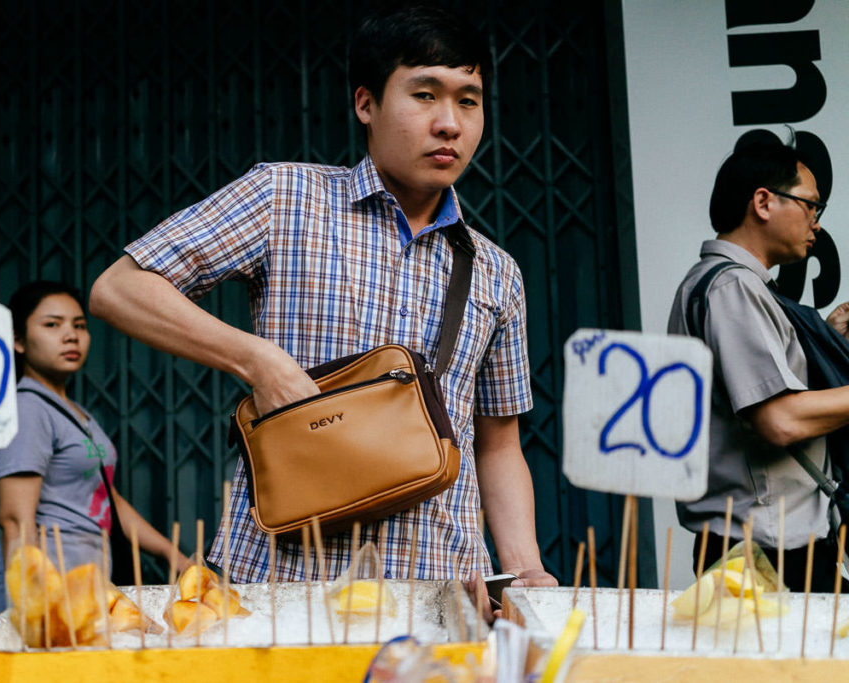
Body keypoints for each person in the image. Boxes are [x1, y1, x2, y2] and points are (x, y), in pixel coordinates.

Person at [89, 3, 555, 593]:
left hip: (438, 595)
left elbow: (498, 446)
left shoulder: (496, 271)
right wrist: (259, 361)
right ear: (366, 103)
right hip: (280, 586)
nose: (450, 123)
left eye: (468, 99)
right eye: (424, 95)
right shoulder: (286, 198)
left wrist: (528, 567)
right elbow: (120, 289)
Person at [668, 141, 844, 592]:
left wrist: (829, 341)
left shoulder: (721, 284)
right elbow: (779, 419)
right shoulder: (731, 288)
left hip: (764, 548)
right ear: (763, 202)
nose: (816, 224)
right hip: (764, 553)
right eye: (810, 205)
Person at [0, 281, 190, 613]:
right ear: (18, 341)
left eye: (79, 325)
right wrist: (28, 602)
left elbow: (108, 498)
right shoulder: (27, 408)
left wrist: (176, 557)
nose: (71, 335)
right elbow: (14, 518)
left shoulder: (76, 413)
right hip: (48, 587)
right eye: (52, 325)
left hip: (87, 580)